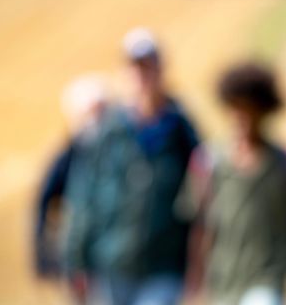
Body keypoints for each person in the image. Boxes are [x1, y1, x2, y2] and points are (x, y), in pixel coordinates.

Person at [63, 28, 200, 305]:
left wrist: (200, 265)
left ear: (161, 70)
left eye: (148, 67)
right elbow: (82, 199)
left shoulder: (182, 130)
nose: (141, 76)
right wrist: (75, 263)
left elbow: (205, 196)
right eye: (134, 67)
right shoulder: (106, 131)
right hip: (111, 267)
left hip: (164, 267)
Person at [177, 62, 286, 305]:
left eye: (250, 109)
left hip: (268, 278)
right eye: (236, 108)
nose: (242, 117)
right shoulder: (208, 163)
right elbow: (201, 229)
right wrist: (194, 287)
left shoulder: (285, 165)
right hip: (223, 281)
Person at [35, 74, 109, 281]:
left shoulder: (119, 149)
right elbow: (44, 201)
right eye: (92, 112)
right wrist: (43, 257)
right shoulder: (68, 156)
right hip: (80, 261)